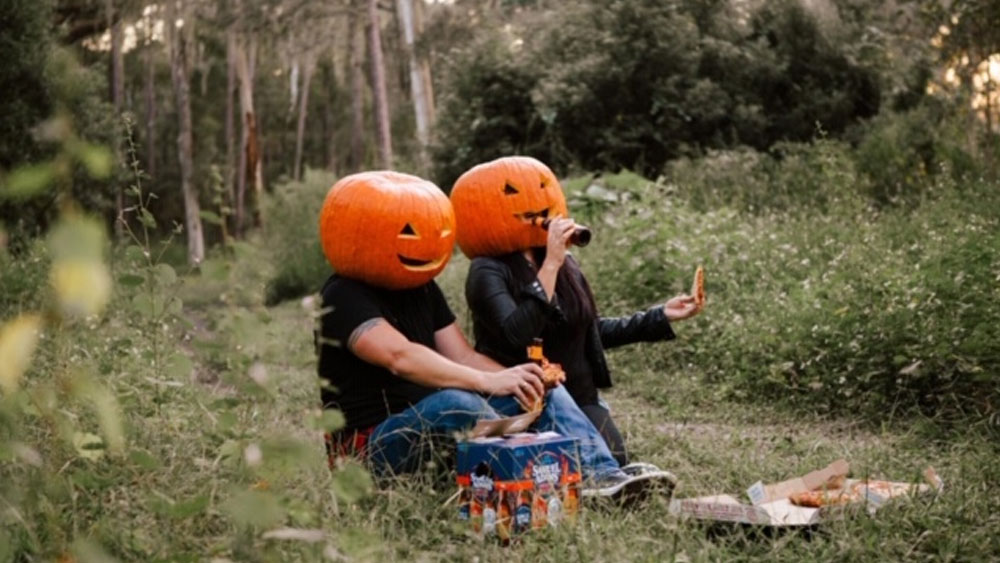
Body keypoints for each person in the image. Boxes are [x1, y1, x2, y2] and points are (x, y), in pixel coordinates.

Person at [315, 170, 674, 503]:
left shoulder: (422, 288)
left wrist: (515, 381)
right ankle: (537, 470)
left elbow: (464, 356)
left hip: (430, 428)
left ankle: (603, 478)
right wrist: (488, 380)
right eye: (410, 231)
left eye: (435, 230)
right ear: (363, 234)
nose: (425, 242)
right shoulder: (343, 294)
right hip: (368, 447)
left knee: (538, 385)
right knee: (456, 403)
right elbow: (400, 357)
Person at [450, 156, 701, 468]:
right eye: (513, 191)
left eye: (543, 186)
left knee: (615, 458)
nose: (537, 198)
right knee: (567, 467)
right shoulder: (488, 269)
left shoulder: (566, 263)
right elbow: (517, 335)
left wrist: (660, 316)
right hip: (525, 400)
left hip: (579, 395)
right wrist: (551, 264)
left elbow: (588, 330)